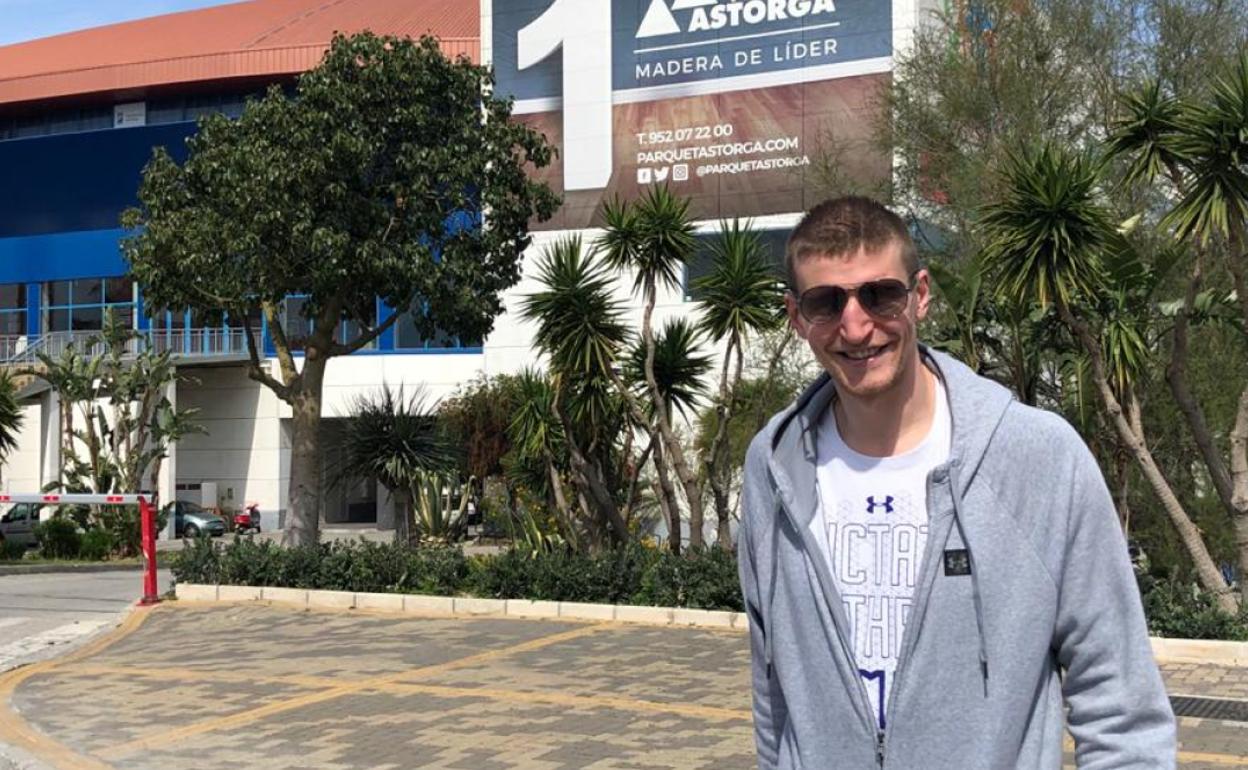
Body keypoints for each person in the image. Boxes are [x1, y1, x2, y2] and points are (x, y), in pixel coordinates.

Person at [736, 196, 1175, 769]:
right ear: (797, 317)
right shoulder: (773, 467)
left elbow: (1119, 703)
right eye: (826, 301)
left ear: (919, 295)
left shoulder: (1037, 457)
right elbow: (774, 699)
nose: (856, 324)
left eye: (879, 294)